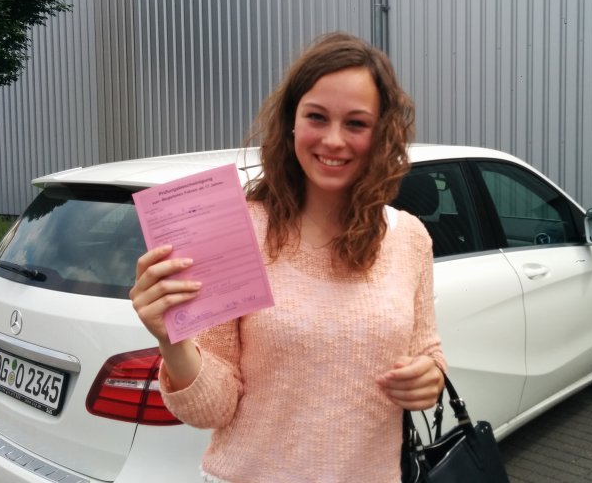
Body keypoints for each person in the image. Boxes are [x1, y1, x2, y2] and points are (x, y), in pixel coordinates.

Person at [130, 31, 447, 483]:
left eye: (356, 123)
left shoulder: (409, 238)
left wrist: (429, 377)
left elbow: (427, 351)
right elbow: (213, 410)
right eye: (317, 117)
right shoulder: (236, 229)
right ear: (291, 122)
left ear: (382, 132)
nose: (333, 140)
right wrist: (171, 341)